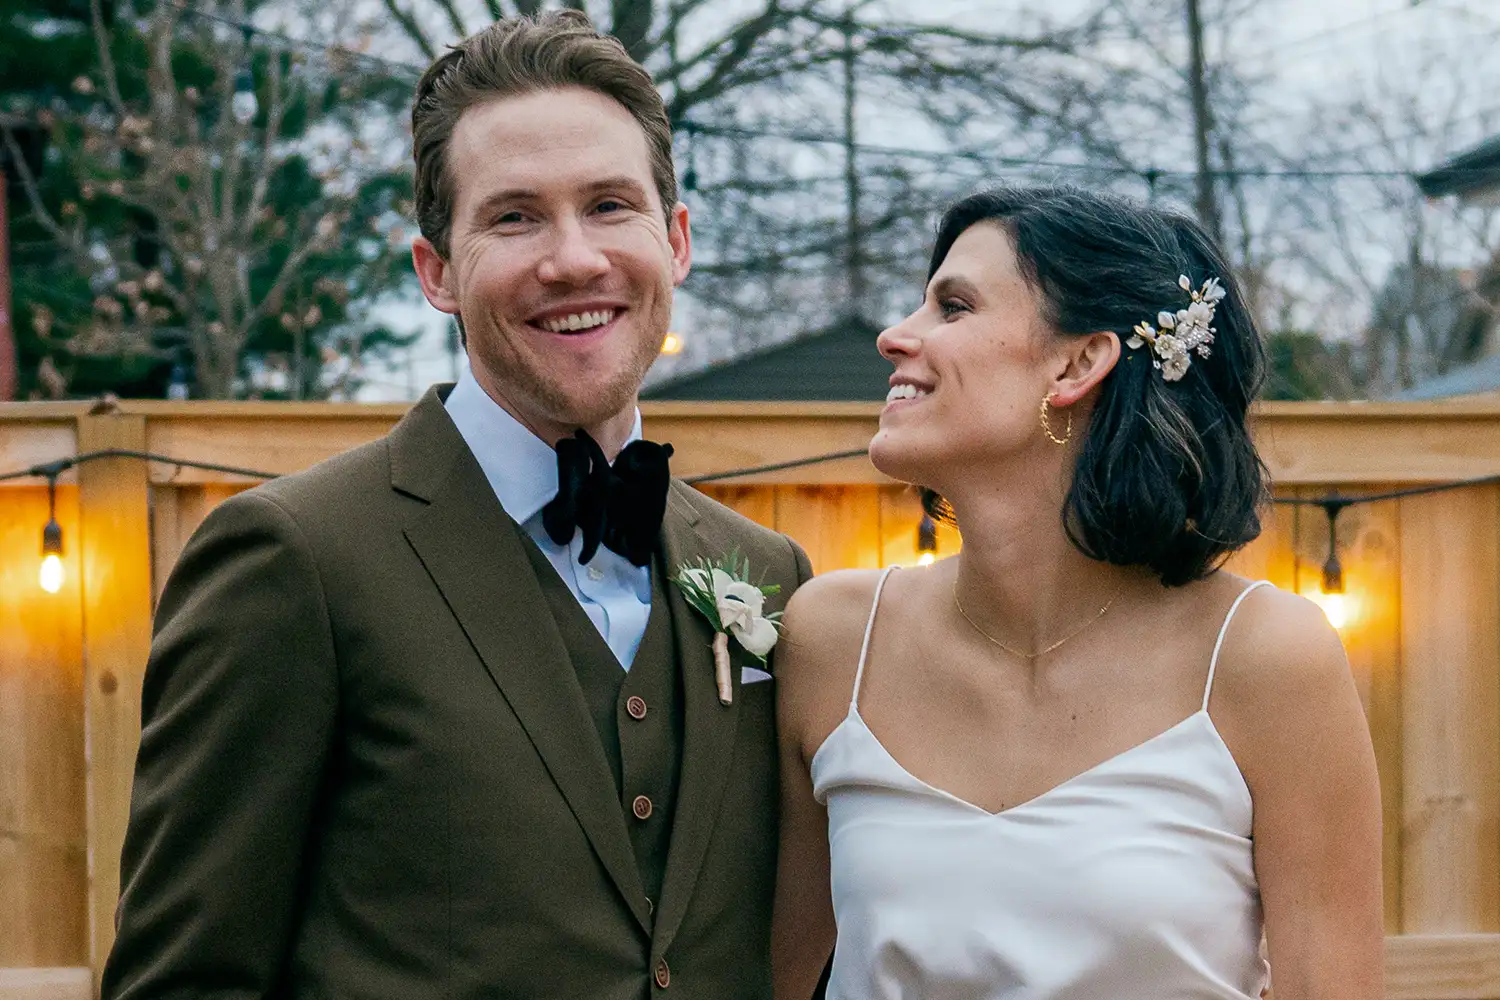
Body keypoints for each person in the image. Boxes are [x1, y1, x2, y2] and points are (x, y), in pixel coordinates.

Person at [102, 11, 812, 1000]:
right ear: (436, 272)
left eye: (610, 205)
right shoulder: (297, 560)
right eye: (515, 218)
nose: (574, 259)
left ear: (677, 240)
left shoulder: (769, 575)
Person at [771, 186, 1383, 1000]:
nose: (895, 336)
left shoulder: (1265, 657)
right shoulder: (834, 639)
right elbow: (766, 974)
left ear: (1077, 363)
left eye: (953, 307)